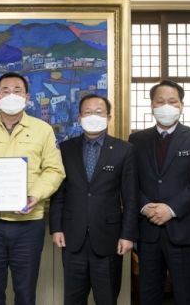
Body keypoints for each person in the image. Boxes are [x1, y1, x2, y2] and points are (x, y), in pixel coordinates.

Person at [0, 72, 66, 305]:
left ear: (27, 97)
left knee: (25, 292)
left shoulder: (43, 130)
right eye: (5, 91)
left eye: (17, 91)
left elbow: (54, 170)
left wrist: (35, 195)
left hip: (29, 224)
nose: (11, 95)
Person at [128, 80, 190, 305]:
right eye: (160, 101)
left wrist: (171, 209)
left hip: (184, 230)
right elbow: (130, 181)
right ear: (152, 106)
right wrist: (146, 207)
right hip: (148, 231)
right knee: (148, 295)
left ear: (181, 105)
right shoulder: (136, 140)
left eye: (172, 101)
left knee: (188, 296)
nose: (166, 106)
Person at [49, 94, 138, 305]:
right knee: (73, 299)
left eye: (99, 112)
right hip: (72, 237)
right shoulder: (65, 149)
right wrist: (56, 228)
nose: (93, 116)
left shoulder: (124, 150)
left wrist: (128, 235)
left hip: (109, 238)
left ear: (108, 118)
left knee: (107, 298)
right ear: (79, 117)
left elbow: (131, 197)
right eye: (88, 112)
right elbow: (58, 193)